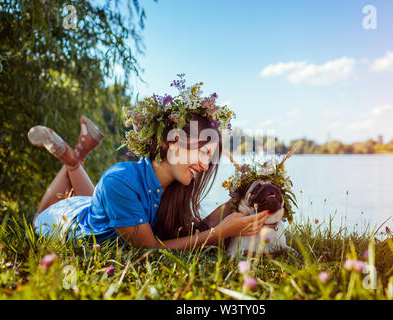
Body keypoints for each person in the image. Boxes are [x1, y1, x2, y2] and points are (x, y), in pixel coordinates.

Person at [28, 78, 269, 250]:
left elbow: (196, 229)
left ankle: (75, 156)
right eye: (203, 152)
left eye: (210, 156)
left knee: (99, 208)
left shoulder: (174, 187)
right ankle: (73, 158)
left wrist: (238, 202)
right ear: (174, 141)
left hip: (97, 209)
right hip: (63, 222)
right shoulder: (119, 181)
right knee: (37, 219)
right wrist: (220, 233)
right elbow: (149, 249)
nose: (206, 165)